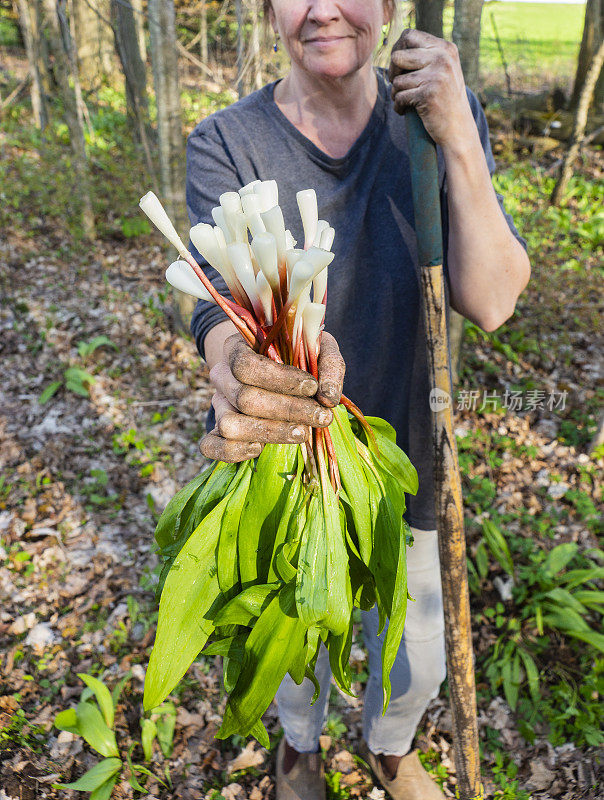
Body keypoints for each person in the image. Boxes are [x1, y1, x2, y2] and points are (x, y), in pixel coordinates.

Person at [186, 2, 530, 798]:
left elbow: (494, 300)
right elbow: (212, 303)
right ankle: (299, 748)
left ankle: (390, 748)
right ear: (270, 11)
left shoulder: (433, 117)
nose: (323, 10)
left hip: (406, 451)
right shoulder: (227, 141)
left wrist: (460, 141)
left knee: (413, 649)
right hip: (284, 458)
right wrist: (232, 359)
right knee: (293, 639)